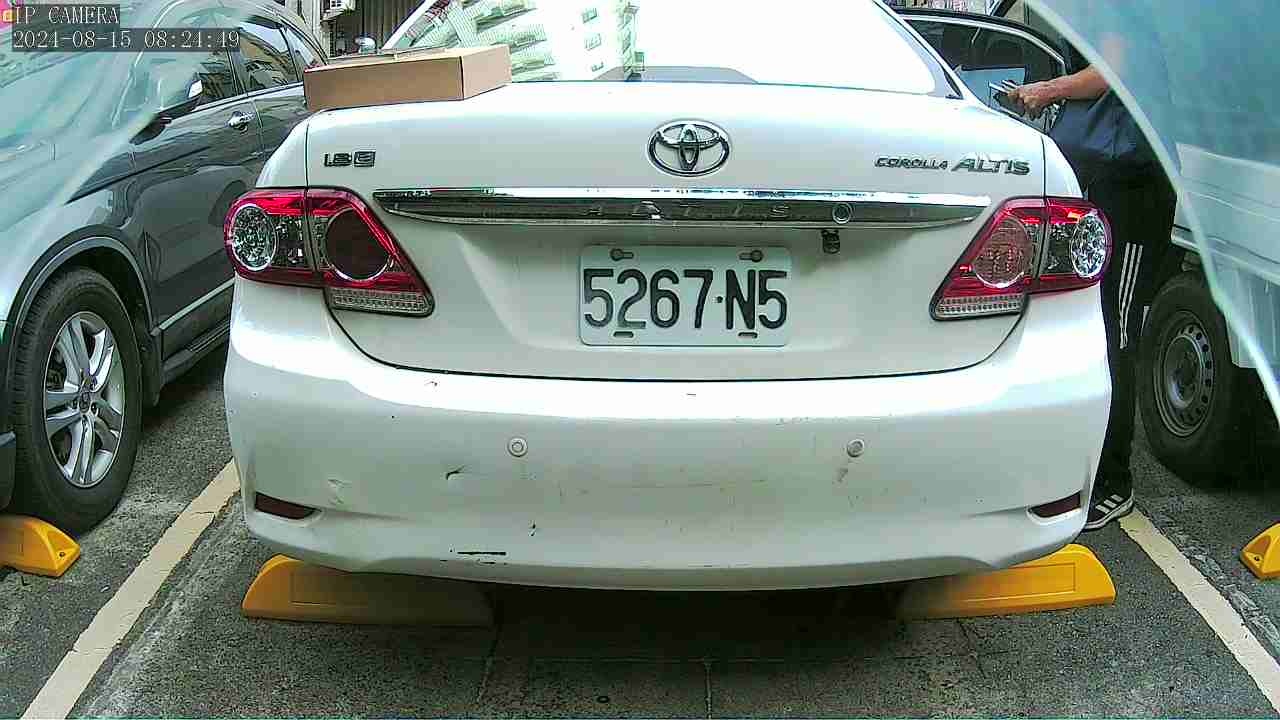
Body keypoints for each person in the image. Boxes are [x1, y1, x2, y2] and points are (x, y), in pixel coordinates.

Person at [1011, 50, 1177, 530]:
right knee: (1096, 331)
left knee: (1116, 337)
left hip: (1135, 195)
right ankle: (1087, 463)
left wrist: (1048, 90)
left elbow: (1113, 71)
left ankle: (1114, 481)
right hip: (1108, 187)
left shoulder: (1134, 20)